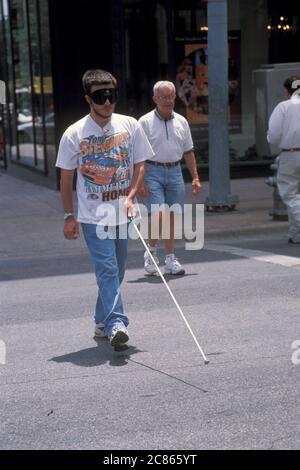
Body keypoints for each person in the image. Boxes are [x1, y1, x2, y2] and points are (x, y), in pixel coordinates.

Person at [56, 69, 154, 348]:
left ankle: (101, 318)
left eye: (111, 95)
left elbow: (140, 163)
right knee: (108, 270)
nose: (108, 102)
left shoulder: (130, 125)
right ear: (88, 98)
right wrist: (68, 216)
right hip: (92, 216)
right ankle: (116, 324)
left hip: (122, 212)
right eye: (100, 96)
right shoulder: (74, 133)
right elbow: (65, 178)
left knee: (118, 270)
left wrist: (132, 195)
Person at [138, 80, 201, 275]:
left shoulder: (182, 121)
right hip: (151, 171)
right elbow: (137, 154)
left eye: (171, 96)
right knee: (159, 215)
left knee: (172, 217)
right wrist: (139, 182)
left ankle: (170, 260)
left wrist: (195, 177)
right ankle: (150, 254)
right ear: (155, 99)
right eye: (164, 97)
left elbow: (189, 151)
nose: (168, 101)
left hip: (175, 171)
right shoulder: (144, 122)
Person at [267, 75, 300, 244]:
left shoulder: (283, 107)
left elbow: (273, 135)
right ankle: (295, 234)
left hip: (291, 153)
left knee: (290, 195)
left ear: (287, 90)